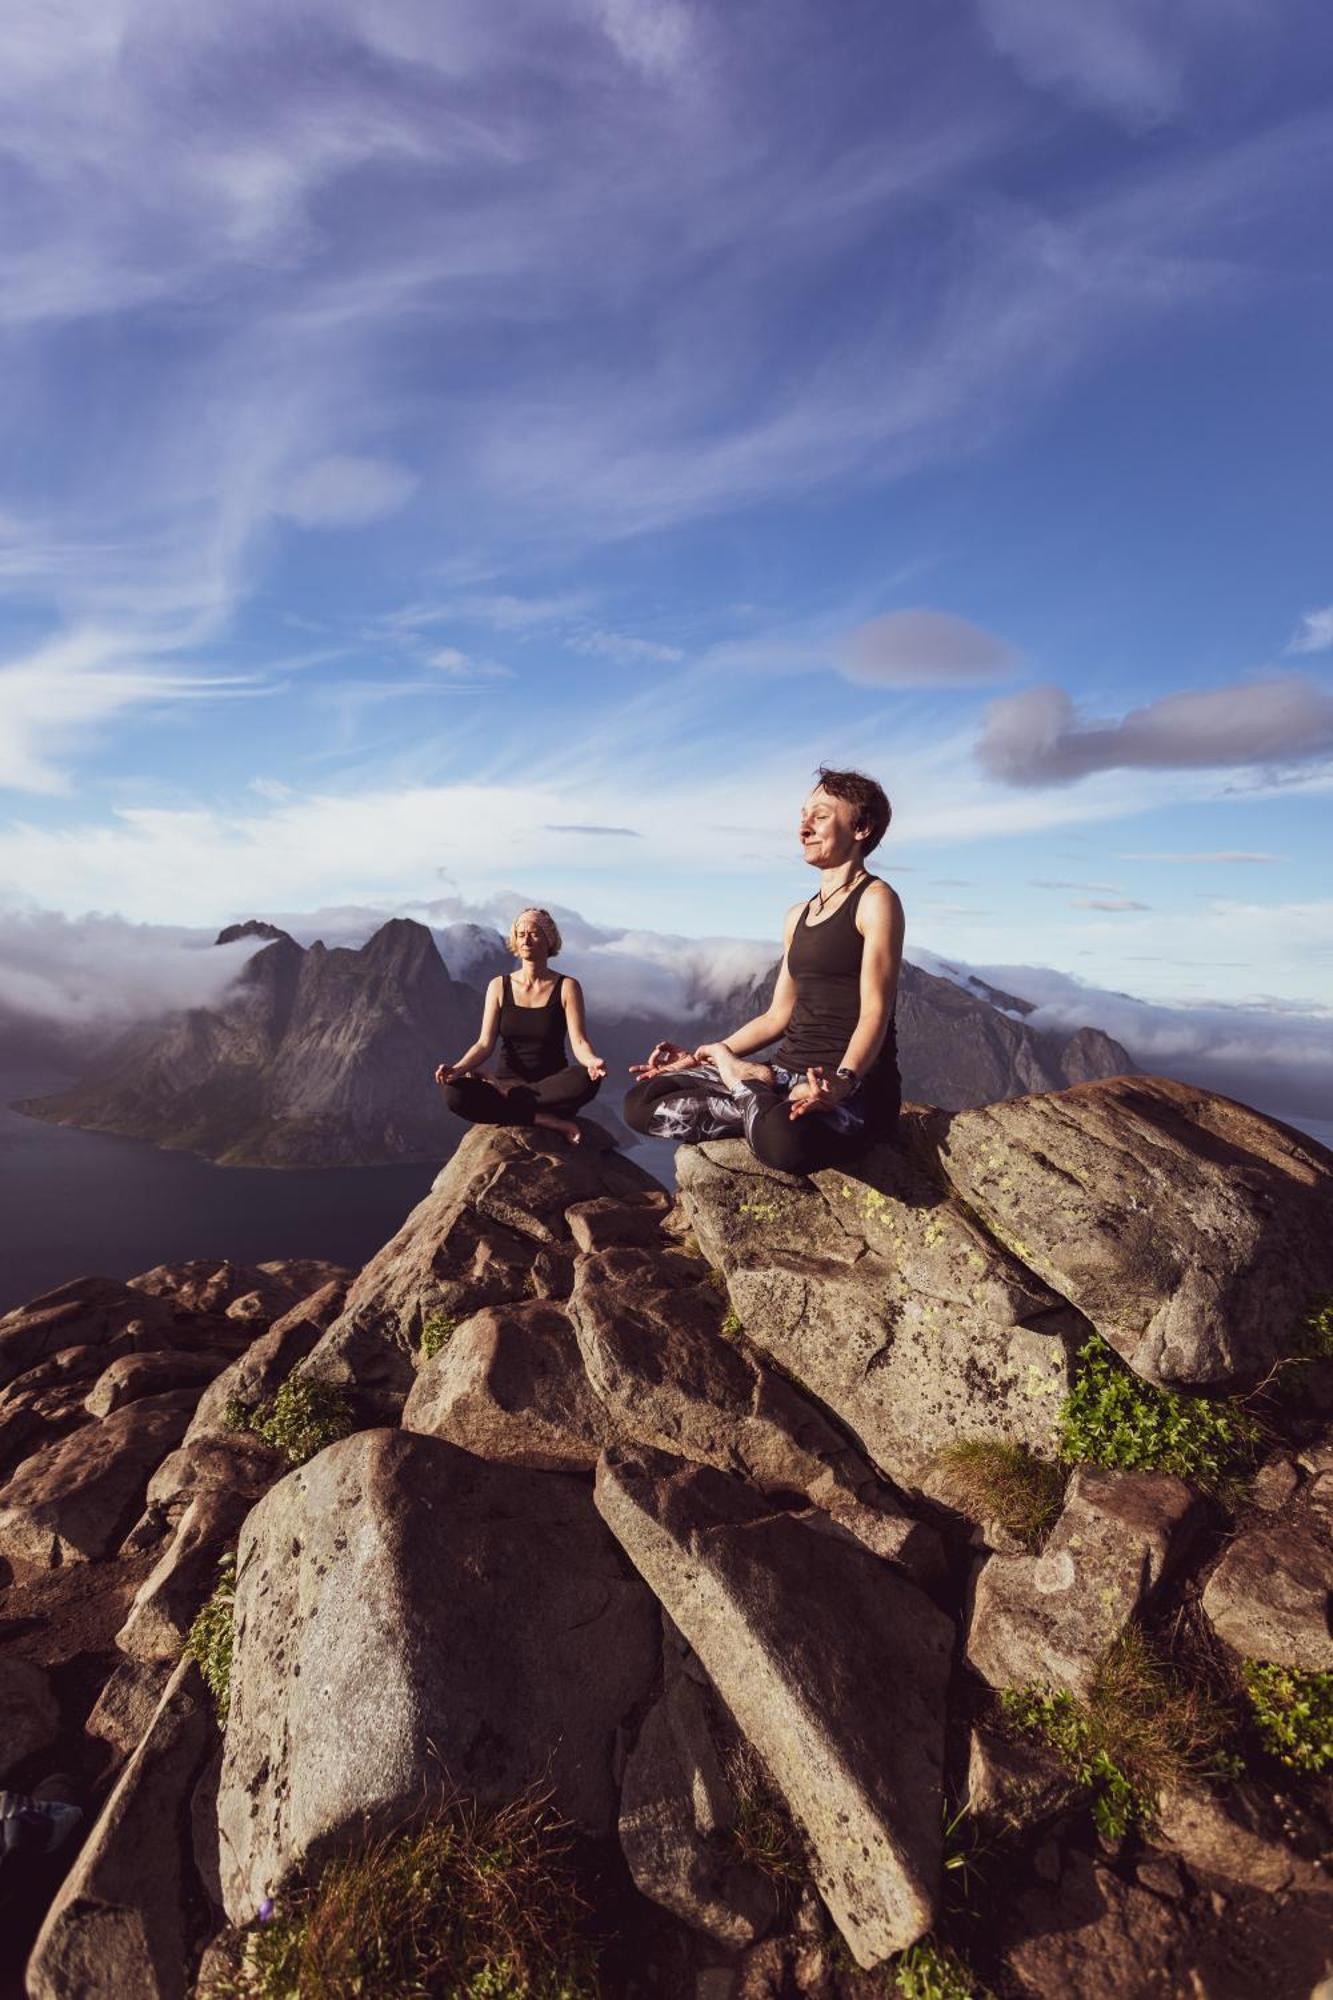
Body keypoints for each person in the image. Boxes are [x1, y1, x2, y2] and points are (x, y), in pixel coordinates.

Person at [624, 767, 903, 1174]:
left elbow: (875, 1012)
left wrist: (842, 1081)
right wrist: (699, 1057)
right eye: (802, 816)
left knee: (783, 1143)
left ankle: (744, 1086)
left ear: (861, 827)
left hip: (853, 1089)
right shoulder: (797, 916)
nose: (803, 827)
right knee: (641, 1102)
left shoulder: (876, 900)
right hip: (781, 1076)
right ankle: (748, 1085)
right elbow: (777, 1016)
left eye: (820, 816)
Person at [434, 906, 606, 1144]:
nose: (526, 939)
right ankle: (544, 1119)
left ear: (549, 941)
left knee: (586, 1080)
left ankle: (513, 1100)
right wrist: (457, 1070)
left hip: (549, 1089)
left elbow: (579, 1041)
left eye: (534, 933)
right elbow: (484, 1044)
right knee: (454, 1094)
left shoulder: (567, 986)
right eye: (520, 933)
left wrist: (592, 1062)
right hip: (507, 1082)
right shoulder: (499, 986)